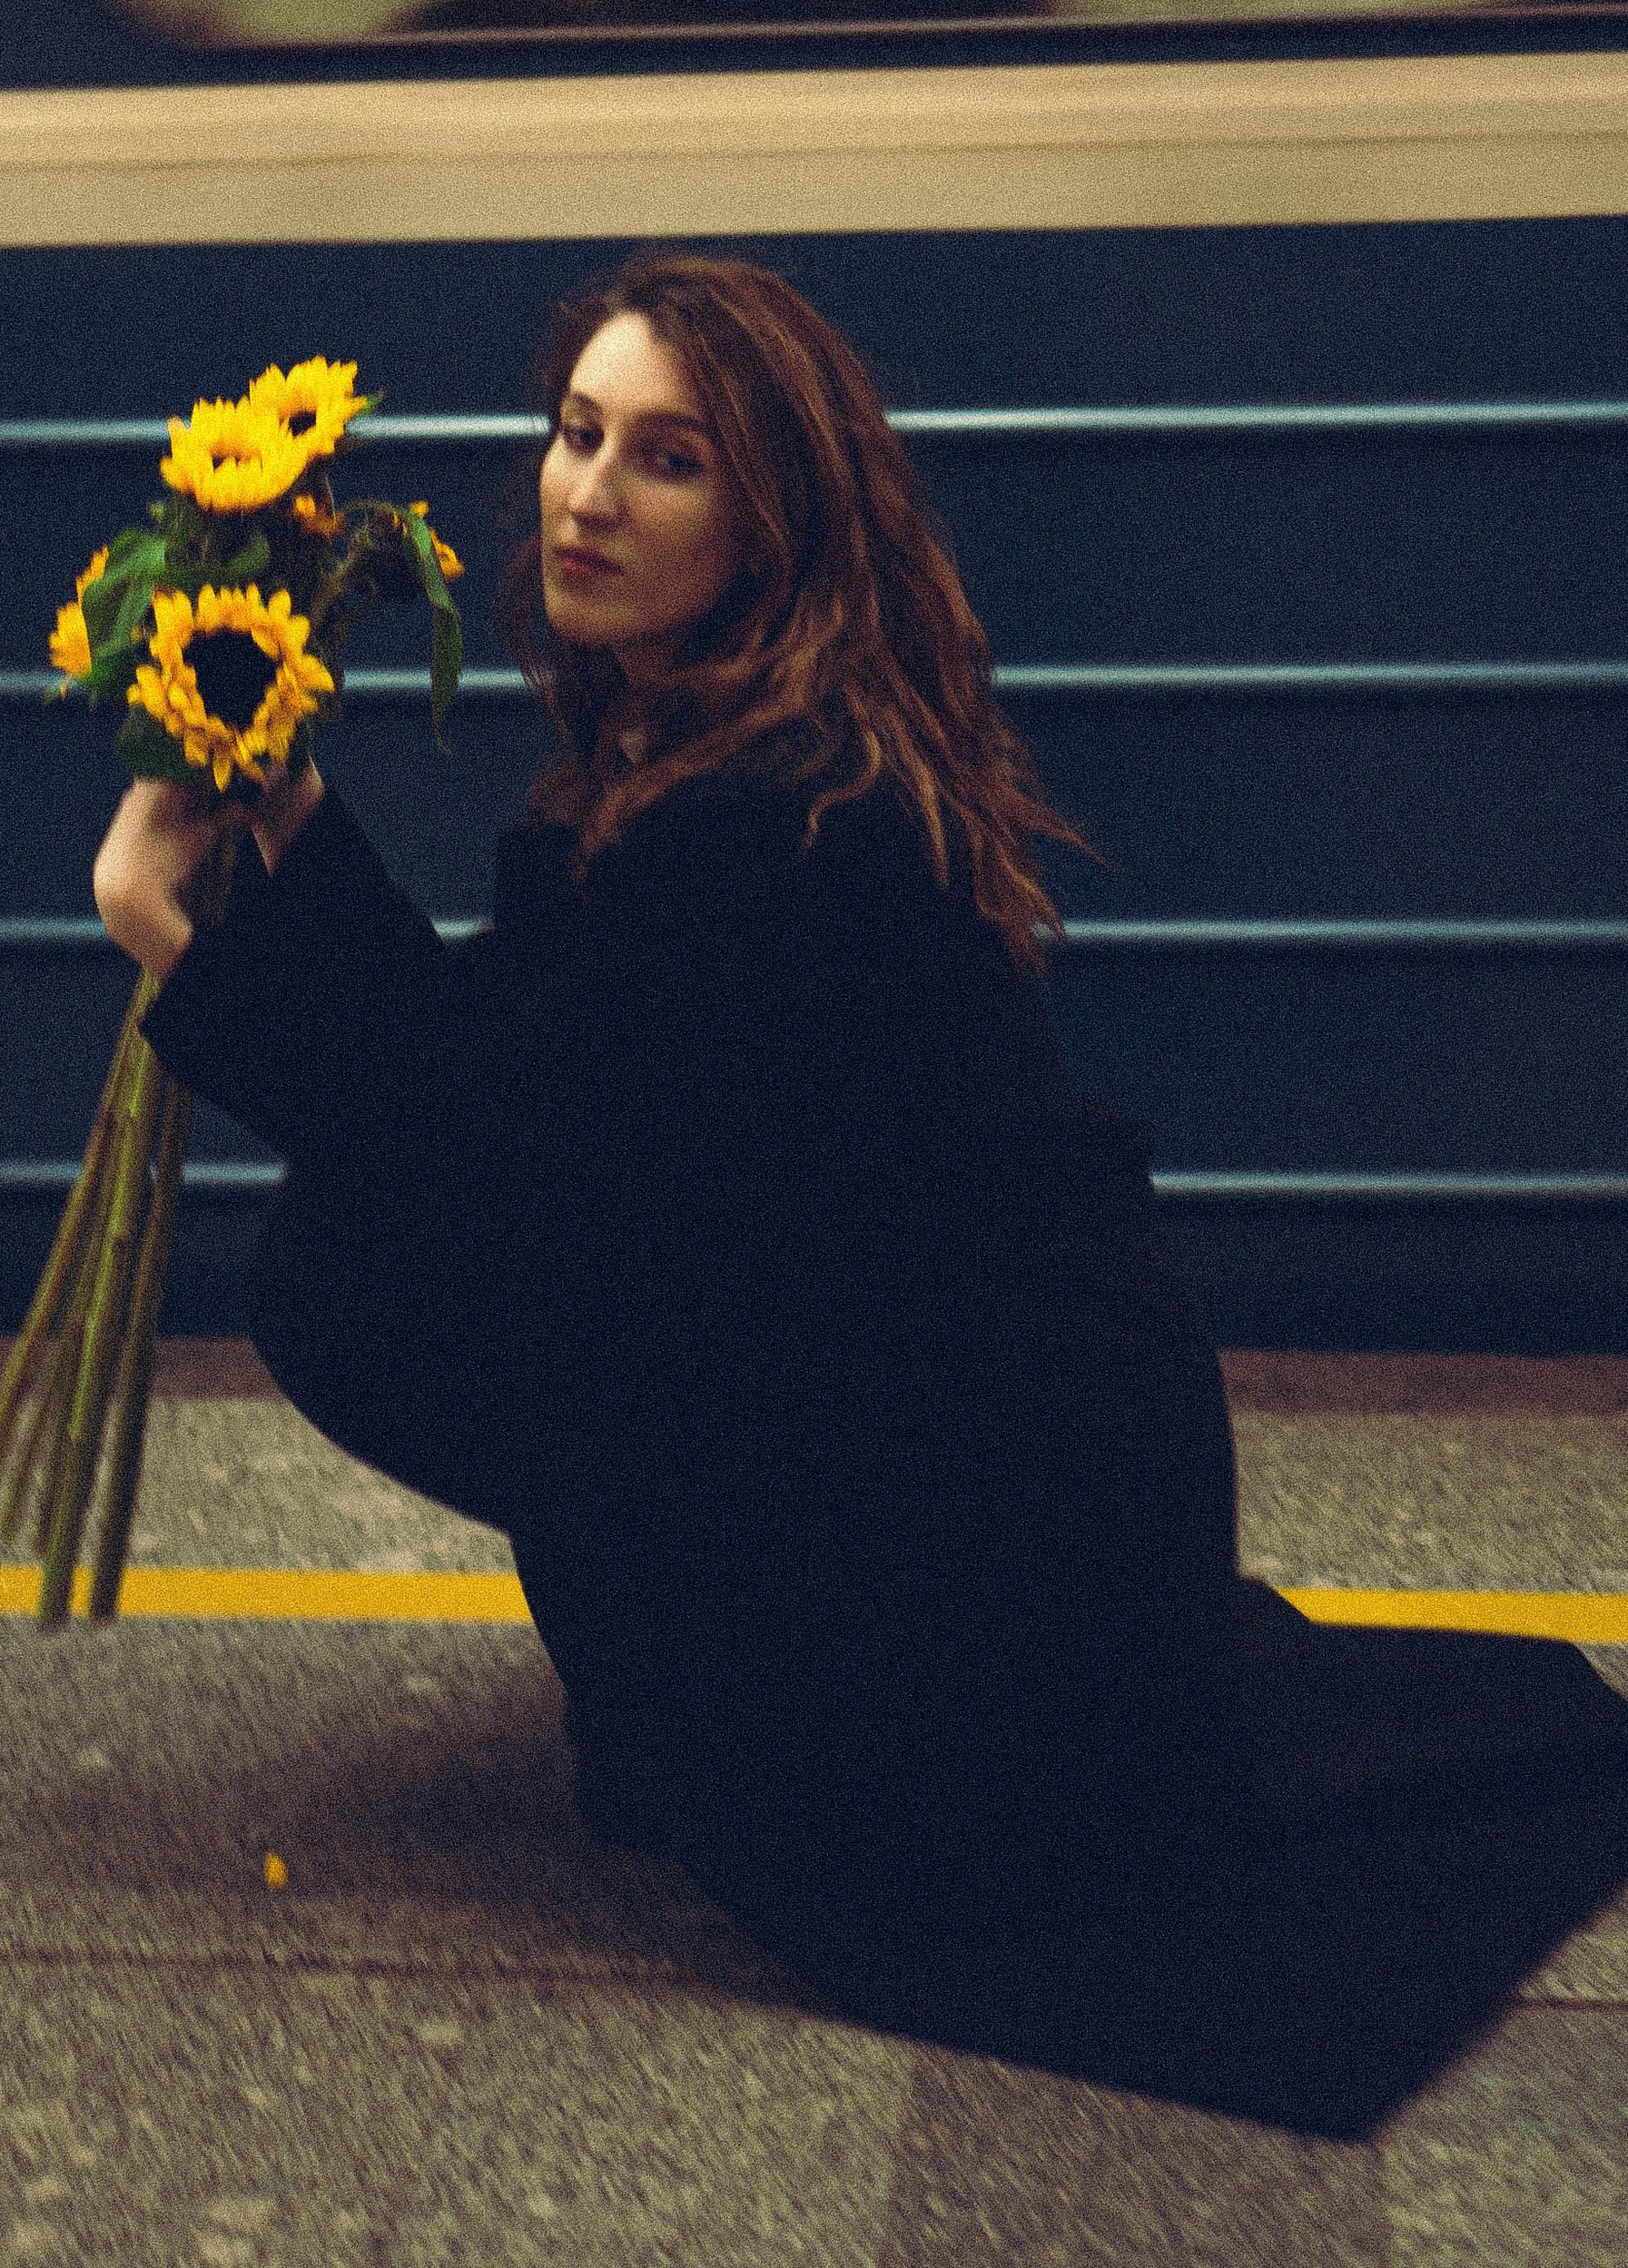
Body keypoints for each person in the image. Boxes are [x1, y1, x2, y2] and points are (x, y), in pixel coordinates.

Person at [93, 250, 1628, 2139]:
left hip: (984, 1548)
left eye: (668, 460)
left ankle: (742, 1705)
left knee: (369, 1257)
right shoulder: (713, 748)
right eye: (575, 433)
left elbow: (501, 1162)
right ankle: (697, 1679)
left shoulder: (771, 824)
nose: (584, 491)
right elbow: (513, 1069)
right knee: (369, 1244)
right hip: (978, 1444)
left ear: (770, 521)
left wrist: (164, 924)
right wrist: (290, 816)